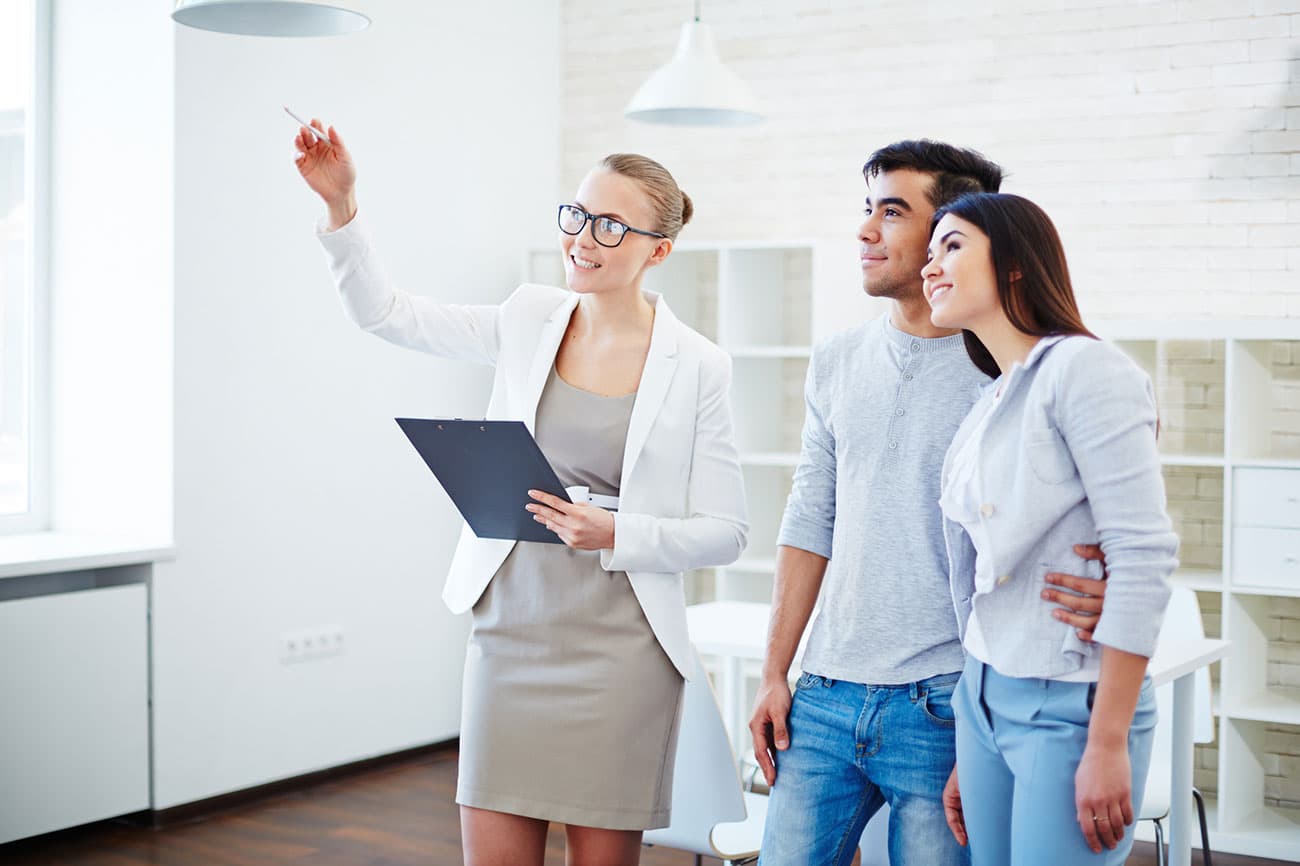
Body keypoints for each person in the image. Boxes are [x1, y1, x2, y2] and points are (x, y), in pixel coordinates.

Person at [291, 120, 748, 866]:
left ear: (657, 251)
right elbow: (387, 315)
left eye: (609, 225)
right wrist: (342, 206)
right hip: (511, 632)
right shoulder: (528, 317)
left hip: (621, 649)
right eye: (576, 215)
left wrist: (616, 531)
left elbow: (726, 531)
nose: (583, 238)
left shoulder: (699, 366)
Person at [749, 141, 1116, 866]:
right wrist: (774, 672)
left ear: (956, 233)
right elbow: (808, 519)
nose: (866, 231)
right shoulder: (835, 359)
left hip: (947, 702)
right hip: (822, 693)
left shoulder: (1012, 370)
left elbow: (1091, 532)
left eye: (893, 212)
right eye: (867, 209)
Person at [923, 192, 1176, 865]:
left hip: (1070, 702)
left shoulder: (1086, 369)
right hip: (981, 692)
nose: (931, 266)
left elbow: (1144, 555)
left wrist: (1107, 741)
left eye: (951, 246)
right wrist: (972, 732)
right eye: (930, 253)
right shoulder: (992, 400)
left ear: (1013, 265)